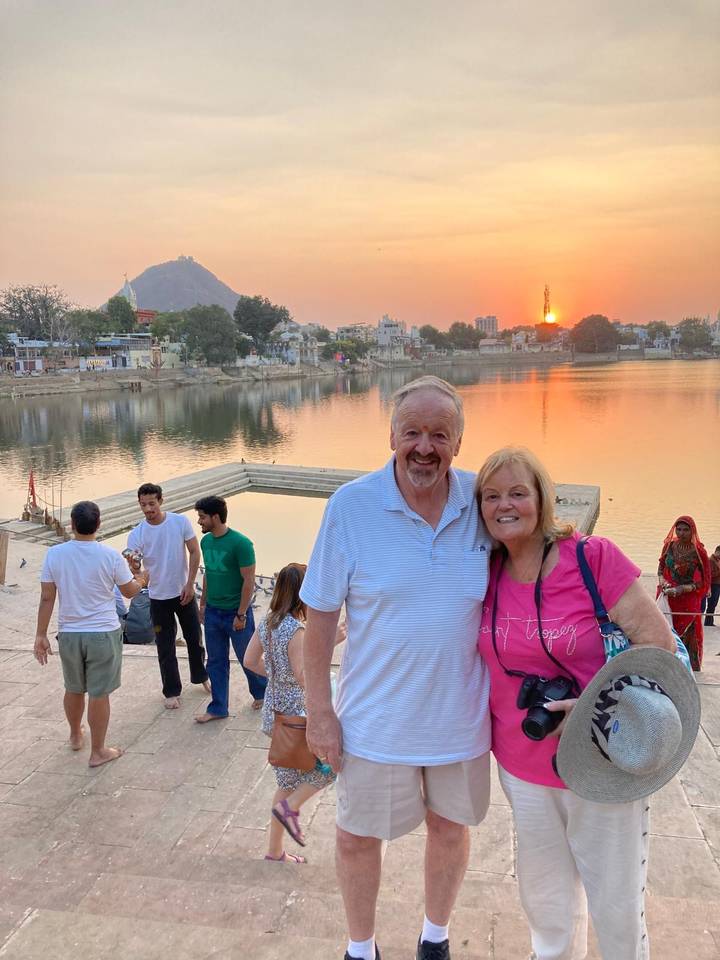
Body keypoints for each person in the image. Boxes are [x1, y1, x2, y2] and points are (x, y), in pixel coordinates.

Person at [301, 375, 492, 960]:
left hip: (460, 719)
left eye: (440, 434)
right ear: (391, 436)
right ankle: (361, 948)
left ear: (459, 442)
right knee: (357, 838)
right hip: (374, 721)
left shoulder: (483, 506)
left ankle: (434, 938)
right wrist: (319, 714)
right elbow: (321, 619)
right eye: (413, 432)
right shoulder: (352, 507)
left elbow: (543, 557)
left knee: (450, 830)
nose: (425, 447)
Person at [475, 446, 676, 960]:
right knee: (546, 907)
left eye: (518, 492)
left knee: (616, 907)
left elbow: (659, 649)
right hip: (523, 768)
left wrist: (590, 701)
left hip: (602, 762)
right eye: (491, 496)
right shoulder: (484, 571)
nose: (505, 505)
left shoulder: (593, 558)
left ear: (543, 497)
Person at [34, 500, 145, 767]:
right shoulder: (109, 555)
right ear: (98, 525)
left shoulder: (55, 554)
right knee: (99, 692)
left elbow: (47, 597)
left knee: (73, 687)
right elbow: (129, 591)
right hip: (103, 632)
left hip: (70, 633)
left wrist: (40, 634)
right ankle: (98, 751)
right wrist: (142, 578)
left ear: (71, 525)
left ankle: (75, 735)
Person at [243, 562, 335, 863]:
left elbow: (249, 661)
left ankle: (274, 851)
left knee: (286, 782)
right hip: (296, 717)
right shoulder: (295, 629)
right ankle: (291, 807)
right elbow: (302, 674)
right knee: (331, 765)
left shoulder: (268, 622)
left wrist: (275, 676)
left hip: (274, 714)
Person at [127, 483, 210, 708]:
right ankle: (171, 691)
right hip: (157, 597)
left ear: (161, 501)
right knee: (165, 645)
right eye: (143, 504)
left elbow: (194, 551)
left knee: (194, 638)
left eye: (152, 504)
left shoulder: (179, 522)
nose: (148, 509)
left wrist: (190, 584)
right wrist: (135, 567)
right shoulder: (137, 533)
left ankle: (201, 676)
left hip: (183, 591)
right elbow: (136, 568)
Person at [195, 495, 266, 722]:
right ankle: (218, 707)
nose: (199, 522)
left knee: (249, 657)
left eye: (202, 517)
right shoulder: (206, 542)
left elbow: (249, 581)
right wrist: (203, 603)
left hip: (236, 612)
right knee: (215, 661)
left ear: (215, 517)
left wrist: (241, 614)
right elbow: (208, 573)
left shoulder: (241, 544)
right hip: (213, 612)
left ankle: (262, 693)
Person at [657, 515, 711, 670]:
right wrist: (664, 583)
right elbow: (660, 569)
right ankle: (666, 663)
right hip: (668, 597)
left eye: (685, 530)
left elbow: (704, 581)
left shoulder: (699, 552)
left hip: (688, 600)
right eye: (678, 529)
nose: (681, 533)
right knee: (665, 628)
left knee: (688, 632)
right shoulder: (669, 546)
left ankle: (687, 667)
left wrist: (682, 589)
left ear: (692, 531)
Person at [704, 545, 720, 627]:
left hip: (717, 585)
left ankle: (710, 622)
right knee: (711, 604)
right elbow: (709, 574)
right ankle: (708, 623)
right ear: (717, 551)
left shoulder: (718, 560)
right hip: (714, 585)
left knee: (714, 604)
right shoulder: (711, 560)